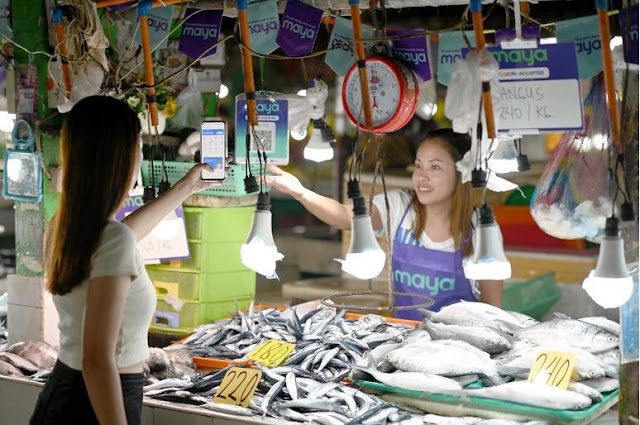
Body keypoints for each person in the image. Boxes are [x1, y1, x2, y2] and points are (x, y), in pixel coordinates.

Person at [30, 96, 218, 425]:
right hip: (99, 398)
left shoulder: (63, 225)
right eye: (138, 148)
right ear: (120, 159)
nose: (140, 157)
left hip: (66, 392)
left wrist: (185, 188)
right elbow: (97, 360)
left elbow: (121, 236)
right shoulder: (112, 241)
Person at [266, 128, 503, 320]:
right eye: (419, 165)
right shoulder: (399, 206)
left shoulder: (481, 230)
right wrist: (300, 192)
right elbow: (344, 217)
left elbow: (494, 311)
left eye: (435, 167)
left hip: (458, 350)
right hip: (404, 339)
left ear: (462, 174)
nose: (422, 176)